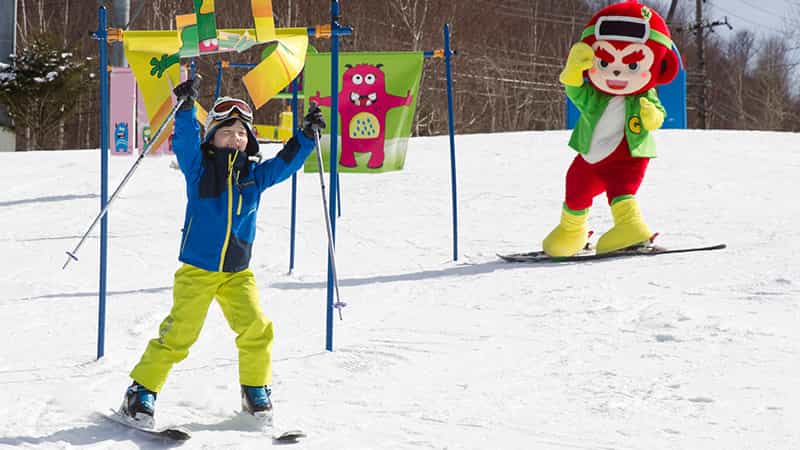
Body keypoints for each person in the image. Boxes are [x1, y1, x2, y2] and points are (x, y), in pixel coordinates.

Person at [119, 77, 325, 428]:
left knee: (257, 328)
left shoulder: (254, 177)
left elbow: (286, 164)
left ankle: (255, 391)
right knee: (180, 334)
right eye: (227, 132)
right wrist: (185, 109)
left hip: (237, 273)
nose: (235, 138)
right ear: (212, 137)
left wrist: (305, 137)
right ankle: (140, 392)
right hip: (198, 270)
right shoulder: (199, 171)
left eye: (241, 133)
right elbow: (184, 143)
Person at [541, 1, 680, 257]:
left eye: (632, 65)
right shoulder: (595, 95)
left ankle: (630, 227)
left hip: (627, 157)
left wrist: (651, 116)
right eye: (604, 62)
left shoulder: (643, 97)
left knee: (621, 190)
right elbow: (576, 91)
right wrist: (573, 71)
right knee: (576, 185)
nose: (616, 70)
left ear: (660, 67)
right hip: (590, 155)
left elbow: (657, 113)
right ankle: (572, 231)